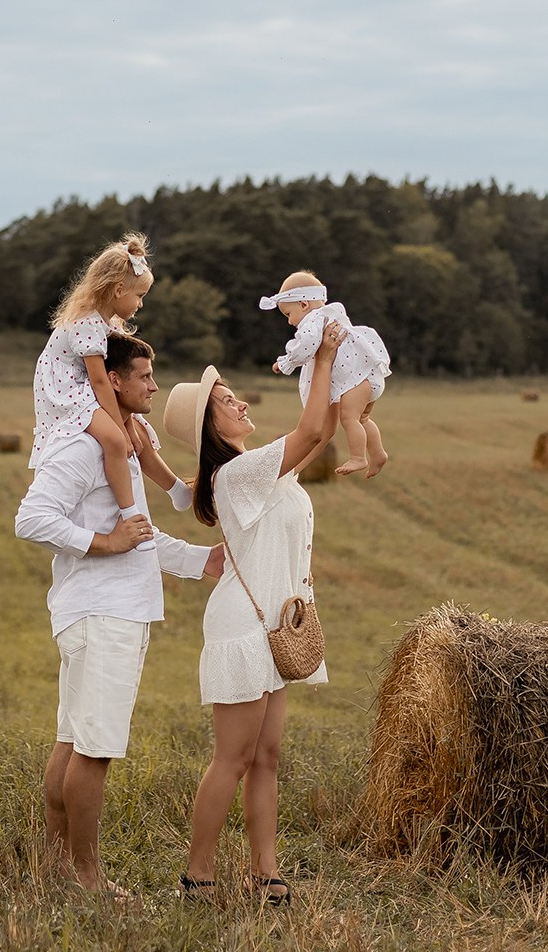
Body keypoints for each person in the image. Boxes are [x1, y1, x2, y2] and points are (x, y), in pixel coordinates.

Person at [14, 332, 222, 898]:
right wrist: (101, 542)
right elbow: (31, 517)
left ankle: (58, 870)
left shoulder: (126, 443)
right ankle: (86, 878)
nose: (154, 385)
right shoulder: (83, 448)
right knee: (96, 748)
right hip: (101, 615)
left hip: (105, 612)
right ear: (110, 380)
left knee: (73, 740)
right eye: (145, 376)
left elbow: (142, 537)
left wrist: (202, 562)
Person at [160, 316, 347, 906]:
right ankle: (198, 877)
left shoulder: (258, 470)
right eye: (225, 400)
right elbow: (311, 426)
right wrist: (318, 355)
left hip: (273, 626)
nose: (239, 401)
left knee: (266, 756)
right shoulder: (238, 473)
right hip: (243, 627)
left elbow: (322, 432)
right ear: (209, 427)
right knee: (233, 758)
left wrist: (344, 368)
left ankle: (266, 875)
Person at [30, 232, 191, 552]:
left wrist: (130, 423)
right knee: (117, 440)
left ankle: (177, 491)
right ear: (119, 290)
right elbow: (101, 381)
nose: (141, 304)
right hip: (66, 392)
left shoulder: (110, 324)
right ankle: (131, 514)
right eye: (139, 296)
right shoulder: (87, 322)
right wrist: (120, 427)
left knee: (139, 432)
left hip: (86, 388)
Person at [262, 270, 392, 478]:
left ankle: (358, 457)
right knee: (363, 419)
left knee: (349, 419)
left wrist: (285, 362)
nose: (289, 321)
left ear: (303, 304)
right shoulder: (334, 312)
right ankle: (378, 453)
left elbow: (305, 346)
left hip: (355, 380)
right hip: (368, 376)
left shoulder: (312, 321)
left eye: (288, 314)